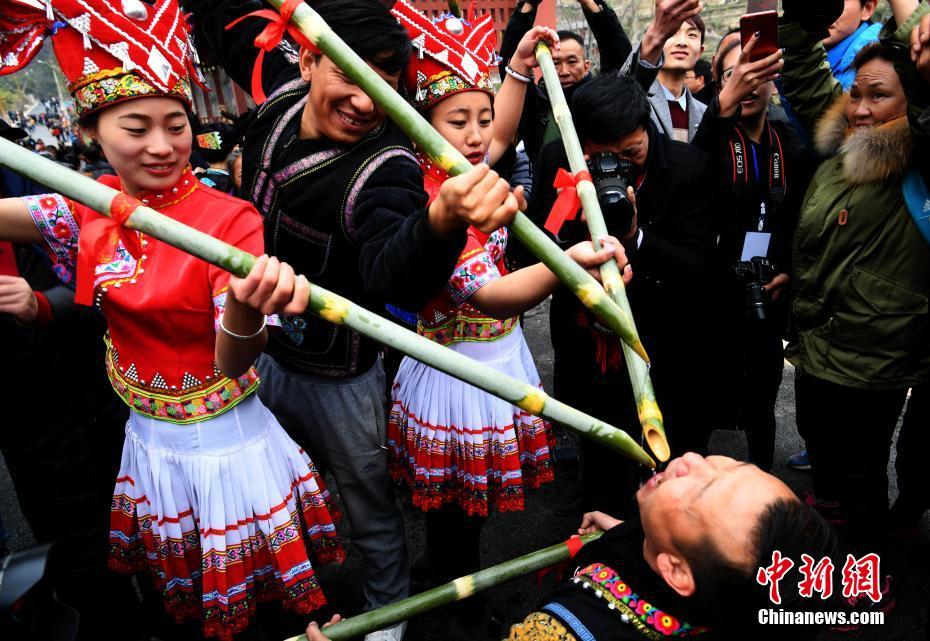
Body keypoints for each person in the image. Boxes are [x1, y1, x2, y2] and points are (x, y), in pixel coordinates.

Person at [0, 1, 343, 638]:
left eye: (175, 124)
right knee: (185, 596)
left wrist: (244, 303)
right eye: (136, 128)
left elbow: (234, 360)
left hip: (222, 443)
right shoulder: (89, 205)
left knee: (258, 607)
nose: (162, 146)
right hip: (148, 439)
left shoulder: (228, 220)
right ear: (92, 134)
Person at [190, 1, 526, 639]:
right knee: (264, 493)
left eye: (384, 84)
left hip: (339, 376)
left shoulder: (390, 168)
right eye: (350, 75)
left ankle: (387, 619)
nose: (366, 102)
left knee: (369, 507)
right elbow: (224, 22)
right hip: (254, 349)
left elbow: (392, 274)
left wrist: (439, 221)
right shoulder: (279, 103)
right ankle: (289, 600)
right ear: (309, 58)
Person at [385, 8, 629, 636]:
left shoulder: (470, 168)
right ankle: (452, 594)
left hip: (497, 358)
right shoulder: (434, 192)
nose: (475, 135)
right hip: (459, 370)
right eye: (456, 121)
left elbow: (499, 135)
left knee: (475, 499)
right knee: (456, 509)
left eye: (481, 118)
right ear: (422, 128)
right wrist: (566, 266)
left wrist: (517, 71)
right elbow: (490, 295)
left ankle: (448, 572)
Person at [304, 453, 841, 641]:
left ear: (677, 571)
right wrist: (624, 537)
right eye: (729, 464)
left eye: (700, 490)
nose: (692, 462)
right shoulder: (716, 592)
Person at [518, 70, 715, 517]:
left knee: (666, 466)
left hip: (662, 344)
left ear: (647, 127)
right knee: (602, 459)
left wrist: (634, 236)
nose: (620, 164)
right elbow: (544, 245)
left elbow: (699, 267)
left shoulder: (689, 169)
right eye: (602, 156)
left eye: (632, 152)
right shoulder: (557, 158)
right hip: (588, 341)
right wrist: (577, 244)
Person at [779, 0, 930, 554]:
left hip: (875, 356)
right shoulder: (841, 142)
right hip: (818, 343)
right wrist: (798, 15)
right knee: (826, 458)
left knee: (865, 478)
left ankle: (870, 580)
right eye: (856, 94)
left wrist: (910, 20)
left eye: (880, 95)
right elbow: (799, 67)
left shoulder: (919, 155)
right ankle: (835, 535)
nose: (861, 108)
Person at [0, 119, 136, 640]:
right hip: (27, 420)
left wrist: (42, 305)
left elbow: (106, 282)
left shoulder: (32, 184)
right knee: (77, 550)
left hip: (100, 393)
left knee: (140, 525)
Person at [691, 36, 815, 472]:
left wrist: (787, 270)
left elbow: (799, 218)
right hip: (713, 292)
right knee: (704, 399)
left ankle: (762, 482)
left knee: (762, 395)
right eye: (732, 74)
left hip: (766, 287)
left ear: (771, 82)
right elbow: (690, 176)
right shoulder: (711, 140)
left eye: (755, 73)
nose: (746, 83)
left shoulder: (788, 142)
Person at [498, 0, 632, 162]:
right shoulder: (536, 106)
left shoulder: (601, 101)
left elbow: (622, 63)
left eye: (572, 61)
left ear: (586, 65)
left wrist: (592, 5)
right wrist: (528, 6)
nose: (564, 71)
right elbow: (510, 67)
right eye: (555, 63)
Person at [620, 0, 707, 143]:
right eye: (672, 33)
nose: (682, 42)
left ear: (700, 51)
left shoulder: (704, 113)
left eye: (692, 35)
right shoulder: (635, 98)